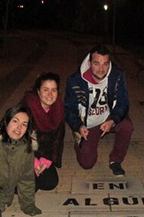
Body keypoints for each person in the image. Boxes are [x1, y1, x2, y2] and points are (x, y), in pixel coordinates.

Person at [64, 44, 133, 176]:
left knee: (127, 126)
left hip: (108, 118)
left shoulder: (117, 76)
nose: (101, 69)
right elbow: (69, 109)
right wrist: (78, 126)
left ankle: (115, 160)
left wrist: (112, 120)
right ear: (89, 63)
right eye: (97, 64)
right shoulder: (75, 80)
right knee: (87, 163)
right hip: (89, 124)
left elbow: (124, 103)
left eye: (105, 64)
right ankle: (79, 144)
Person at [0, 107, 42, 216]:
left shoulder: (26, 150)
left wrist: (28, 207)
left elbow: (26, 180)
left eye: (24, 124)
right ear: (6, 122)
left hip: (0, 199)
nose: (19, 127)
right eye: (15, 121)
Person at [23, 72, 65, 191]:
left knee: (50, 183)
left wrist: (47, 160)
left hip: (43, 154)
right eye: (46, 90)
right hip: (22, 155)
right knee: (32, 186)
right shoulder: (26, 110)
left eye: (54, 90)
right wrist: (34, 162)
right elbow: (18, 142)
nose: (50, 94)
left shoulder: (58, 109)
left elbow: (58, 140)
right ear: (38, 91)